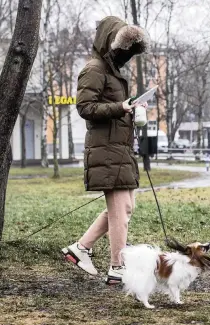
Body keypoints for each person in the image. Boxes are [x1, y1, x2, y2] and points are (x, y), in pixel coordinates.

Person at [61, 16, 150, 285]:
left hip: (118, 149)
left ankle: (81, 248)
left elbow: (111, 107)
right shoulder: (94, 69)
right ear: (110, 42)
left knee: (124, 208)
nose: (126, 57)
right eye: (123, 51)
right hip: (106, 151)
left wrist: (131, 111)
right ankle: (117, 268)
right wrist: (120, 108)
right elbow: (85, 108)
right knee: (121, 210)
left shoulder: (111, 72)